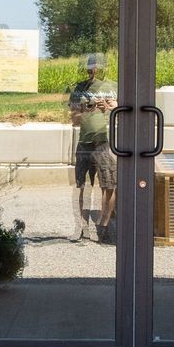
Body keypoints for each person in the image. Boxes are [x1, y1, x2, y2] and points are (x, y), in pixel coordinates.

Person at [67, 53, 119, 242]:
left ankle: (103, 224)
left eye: (97, 67)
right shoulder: (79, 89)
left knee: (110, 184)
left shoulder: (113, 87)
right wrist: (87, 109)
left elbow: (127, 112)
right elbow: (73, 119)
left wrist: (112, 107)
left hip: (104, 142)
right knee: (81, 186)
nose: (93, 70)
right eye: (90, 67)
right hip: (84, 143)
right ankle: (82, 226)